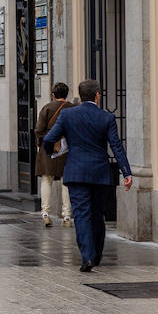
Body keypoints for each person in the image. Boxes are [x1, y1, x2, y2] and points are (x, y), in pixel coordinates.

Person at [42, 79, 133, 272]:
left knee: (81, 214)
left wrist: (52, 152)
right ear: (98, 95)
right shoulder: (107, 118)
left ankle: (87, 257)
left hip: (75, 171)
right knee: (97, 215)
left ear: (80, 96)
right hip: (99, 173)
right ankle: (97, 255)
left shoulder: (68, 115)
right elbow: (116, 146)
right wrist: (127, 172)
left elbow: (48, 139)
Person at [34, 82, 75, 227]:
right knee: (66, 182)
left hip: (49, 146)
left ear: (53, 95)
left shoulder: (47, 108)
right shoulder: (72, 108)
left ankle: (45, 213)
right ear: (67, 94)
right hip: (68, 148)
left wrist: (42, 144)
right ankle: (67, 216)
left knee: (46, 179)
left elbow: (38, 129)